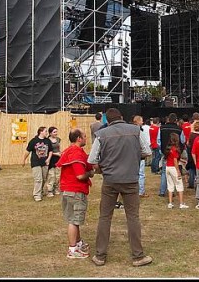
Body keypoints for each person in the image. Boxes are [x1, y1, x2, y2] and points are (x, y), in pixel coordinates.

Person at [88, 107, 153, 267]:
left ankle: (100, 256)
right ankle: (138, 257)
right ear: (122, 117)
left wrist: (103, 167)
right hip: (131, 179)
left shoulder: (102, 134)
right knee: (133, 217)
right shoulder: (135, 130)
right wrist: (133, 156)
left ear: (107, 121)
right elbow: (147, 151)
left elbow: (92, 159)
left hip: (110, 180)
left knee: (105, 217)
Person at [56, 128, 94, 259]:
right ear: (79, 138)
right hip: (75, 191)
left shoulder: (69, 150)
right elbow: (80, 175)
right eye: (84, 136)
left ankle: (78, 243)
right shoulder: (76, 153)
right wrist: (90, 173)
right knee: (74, 220)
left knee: (74, 219)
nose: (86, 138)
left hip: (67, 190)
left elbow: (88, 163)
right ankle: (72, 249)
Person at [22, 126, 53, 202]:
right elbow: (27, 151)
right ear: (41, 132)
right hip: (36, 162)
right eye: (45, 131)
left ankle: (41, 191)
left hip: (45, 162)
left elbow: (50, 151)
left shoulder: (48, 141)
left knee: (44, 178)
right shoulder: (33, 141)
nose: (47, 133)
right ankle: (37, 195)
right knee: (38, 179)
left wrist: (48, 159)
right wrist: (23, 160)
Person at [164, 132, 189, 209]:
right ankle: (181, 203)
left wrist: (181, 160)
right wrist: (178, 171)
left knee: (170, 185)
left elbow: (171, 158)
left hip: (167, 167)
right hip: (173, 168)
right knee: (179, 185)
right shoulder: (175, 149)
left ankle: (170, 203)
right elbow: (175, 161)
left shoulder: (168, 149)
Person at [46, 126, 62, 197]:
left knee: (58, 175)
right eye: (54, 132)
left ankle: (56, 189)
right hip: (51, 159)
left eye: (56, 132)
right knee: (51, 175)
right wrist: (56, 154)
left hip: (58, 159)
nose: (56, 133)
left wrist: (60, 153)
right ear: (50, 133)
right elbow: (47, 151)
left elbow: (59, 148)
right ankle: (50, 190)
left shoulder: (58, 139)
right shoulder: (47, 141)